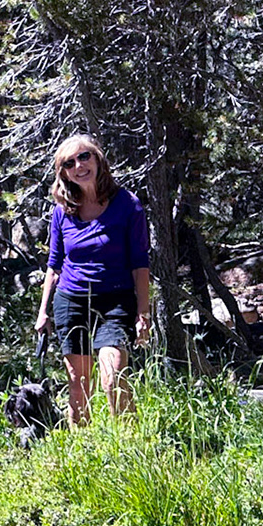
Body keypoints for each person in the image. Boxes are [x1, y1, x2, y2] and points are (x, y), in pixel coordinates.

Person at [33, 136, 152, 423]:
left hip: (116, 299)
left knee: (113, 379)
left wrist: (143, 313)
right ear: (63, 172)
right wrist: (43, 311)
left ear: (98, 158)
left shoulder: (128, 205)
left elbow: (140, 264)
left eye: (84, 156)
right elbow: (54, 264)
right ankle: (83, 453)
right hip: (71, 300)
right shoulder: (62, 210)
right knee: (78, 383)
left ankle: (130, 448)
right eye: (69, 163)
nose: (79, 166)